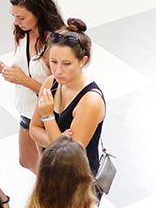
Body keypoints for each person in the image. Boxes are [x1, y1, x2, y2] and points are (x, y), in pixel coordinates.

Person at [0, 0, 65, 173]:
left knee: (49, 168)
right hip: (26, 110)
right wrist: (5, 70)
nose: (16, 22)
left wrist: (22, 79)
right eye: (14, 16)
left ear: (38, 12)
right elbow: (22, 67)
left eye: (21, 17)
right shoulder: (22, 34)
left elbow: (61, 96)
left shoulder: (53, 44)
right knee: (27, 160)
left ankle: (49, 195)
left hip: (47, 116)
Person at [29, 19, 106, 176]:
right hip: (50, 171)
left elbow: (68, 156)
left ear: (82, 61)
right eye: (54, 62)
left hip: (78, 182)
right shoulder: (50, 83)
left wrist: (48, 117)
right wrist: (58, 140)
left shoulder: (91, 101)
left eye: (66, 64)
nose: (58, 71)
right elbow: (33, 129)